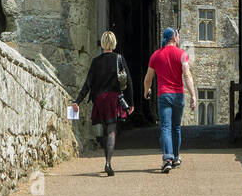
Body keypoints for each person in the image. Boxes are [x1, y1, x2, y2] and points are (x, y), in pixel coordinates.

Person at [72, 31, 133, 176]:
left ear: (103, 43)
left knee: (106, 130)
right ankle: (108, 162)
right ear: (114, 43)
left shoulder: (96, 61)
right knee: (112, 130)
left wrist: (77, 101)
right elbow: (128, 81)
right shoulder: (119, 58)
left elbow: (88, 84)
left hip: (100, 100)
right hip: (114, 99)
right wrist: (131, 103)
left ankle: (107, 161)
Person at [144, 27, 196, 173]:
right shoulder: (182, 54)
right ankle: (176, 157)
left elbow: (148, 78)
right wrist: (193, 95)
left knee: (166, 127)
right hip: (178, 95)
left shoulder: (156, 55)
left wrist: (146, 91)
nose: (179, 37)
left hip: (164, 95)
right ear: (174, 37)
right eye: (178, 35)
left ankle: (167, 158)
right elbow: (187, 76)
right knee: (176, 127)